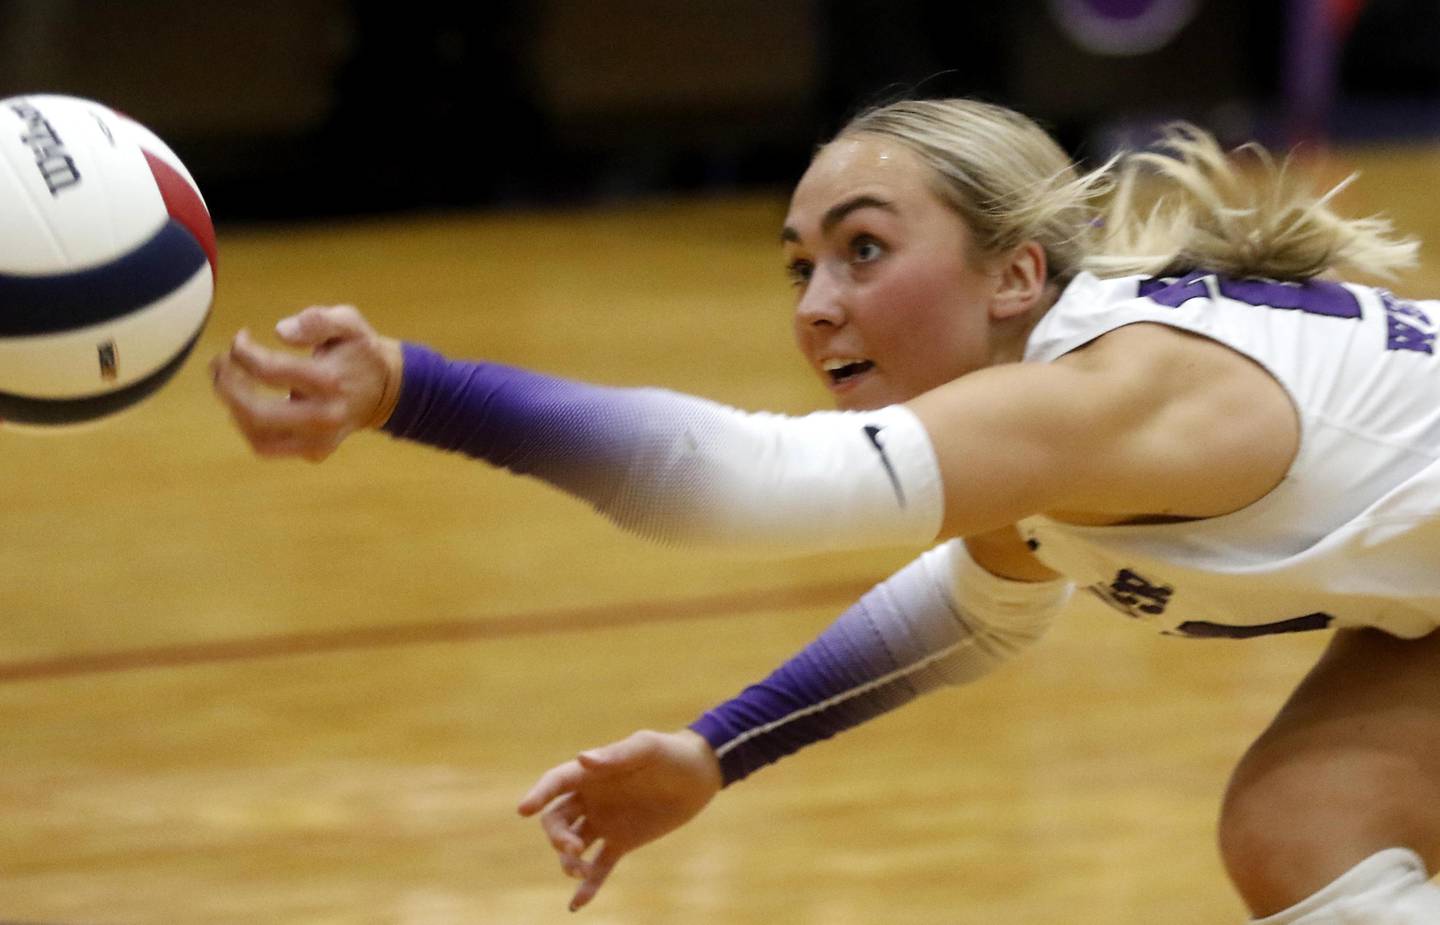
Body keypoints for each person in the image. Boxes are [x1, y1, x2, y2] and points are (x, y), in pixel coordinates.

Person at [210, 98, 1440, 923]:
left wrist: (412, 390)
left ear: (1015, 275)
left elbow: (744, 479)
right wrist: (718, 748)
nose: (815, 303)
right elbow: (983, 603)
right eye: (801, 265)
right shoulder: (1054, 428)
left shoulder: (1110, 393)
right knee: (1305, 823)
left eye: (863, 251)